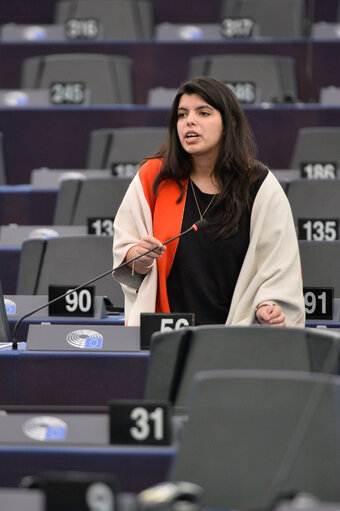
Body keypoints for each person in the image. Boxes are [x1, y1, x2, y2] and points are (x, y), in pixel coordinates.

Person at [113, 76, 305, 327]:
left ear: (229, 123)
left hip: (235, 337)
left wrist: (269, 306)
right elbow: (126, 253)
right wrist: (138, 257)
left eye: (203, 113)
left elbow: (280, 266)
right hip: (163, 334)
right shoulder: (154, 177)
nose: (189, 121)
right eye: (182, 115)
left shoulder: (259, 185)